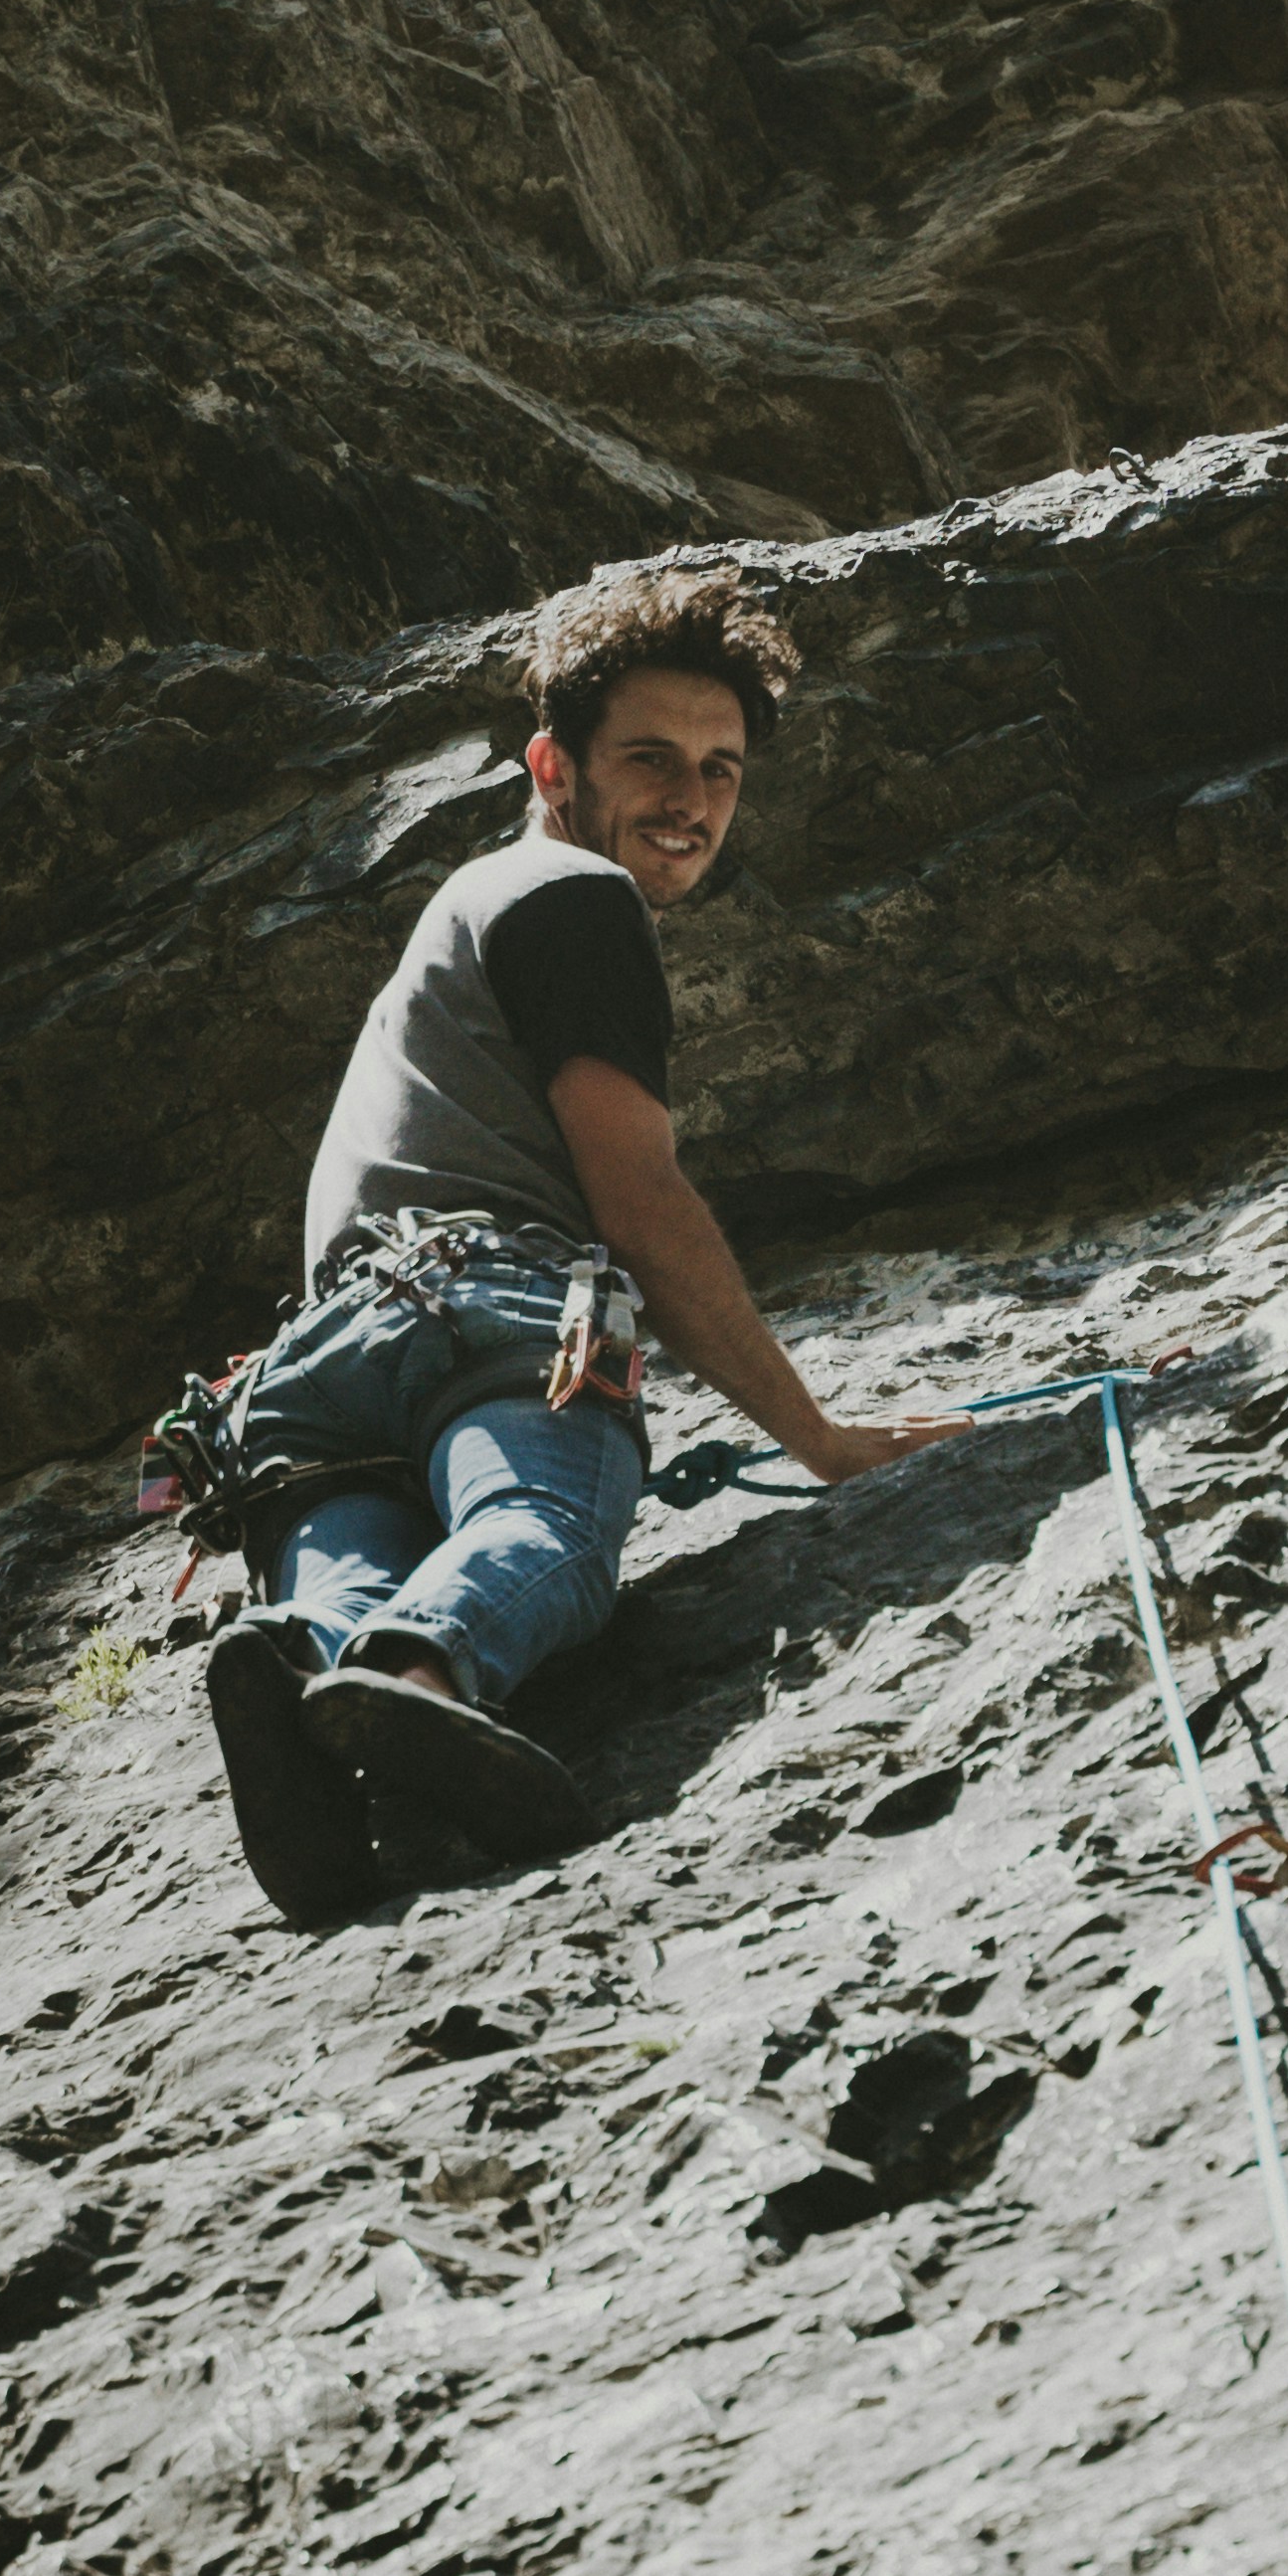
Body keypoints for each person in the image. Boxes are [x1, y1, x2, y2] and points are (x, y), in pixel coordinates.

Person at [203, 567, 954, 1921]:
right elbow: (641, 1205)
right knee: (540, 1520)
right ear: (554, 764)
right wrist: (819, 1438)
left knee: (352, 1571)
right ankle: (421, 1674)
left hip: (310, 1373)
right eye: (652, 760)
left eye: (722, 770)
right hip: (484, 1314)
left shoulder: (458, 919)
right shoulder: (570, 895)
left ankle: (300, 1660)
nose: (691, 801)